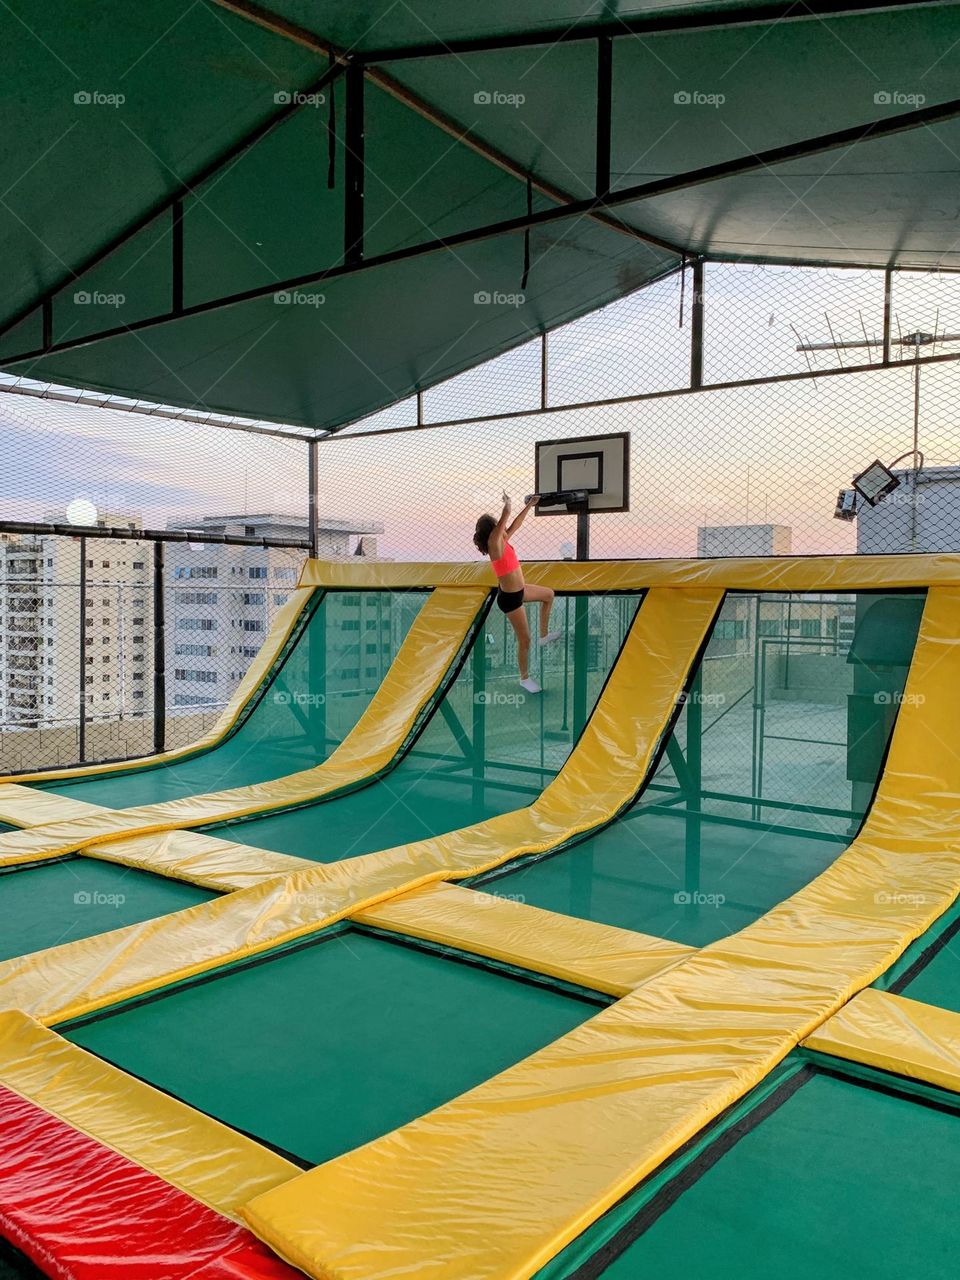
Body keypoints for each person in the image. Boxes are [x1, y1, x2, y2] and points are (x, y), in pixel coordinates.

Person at [474, 492, 562, 694]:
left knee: (548, 595)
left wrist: (529, 506)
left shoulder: (503, 540)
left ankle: (544, 635)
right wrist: (507, 503)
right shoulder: (494, 544)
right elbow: (506, 517)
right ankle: (524, 678)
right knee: (524, 640)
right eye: (498, 525)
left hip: (520, 591)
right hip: (510, 600)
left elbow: (516, 523)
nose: (504, 528)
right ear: (493, 529)